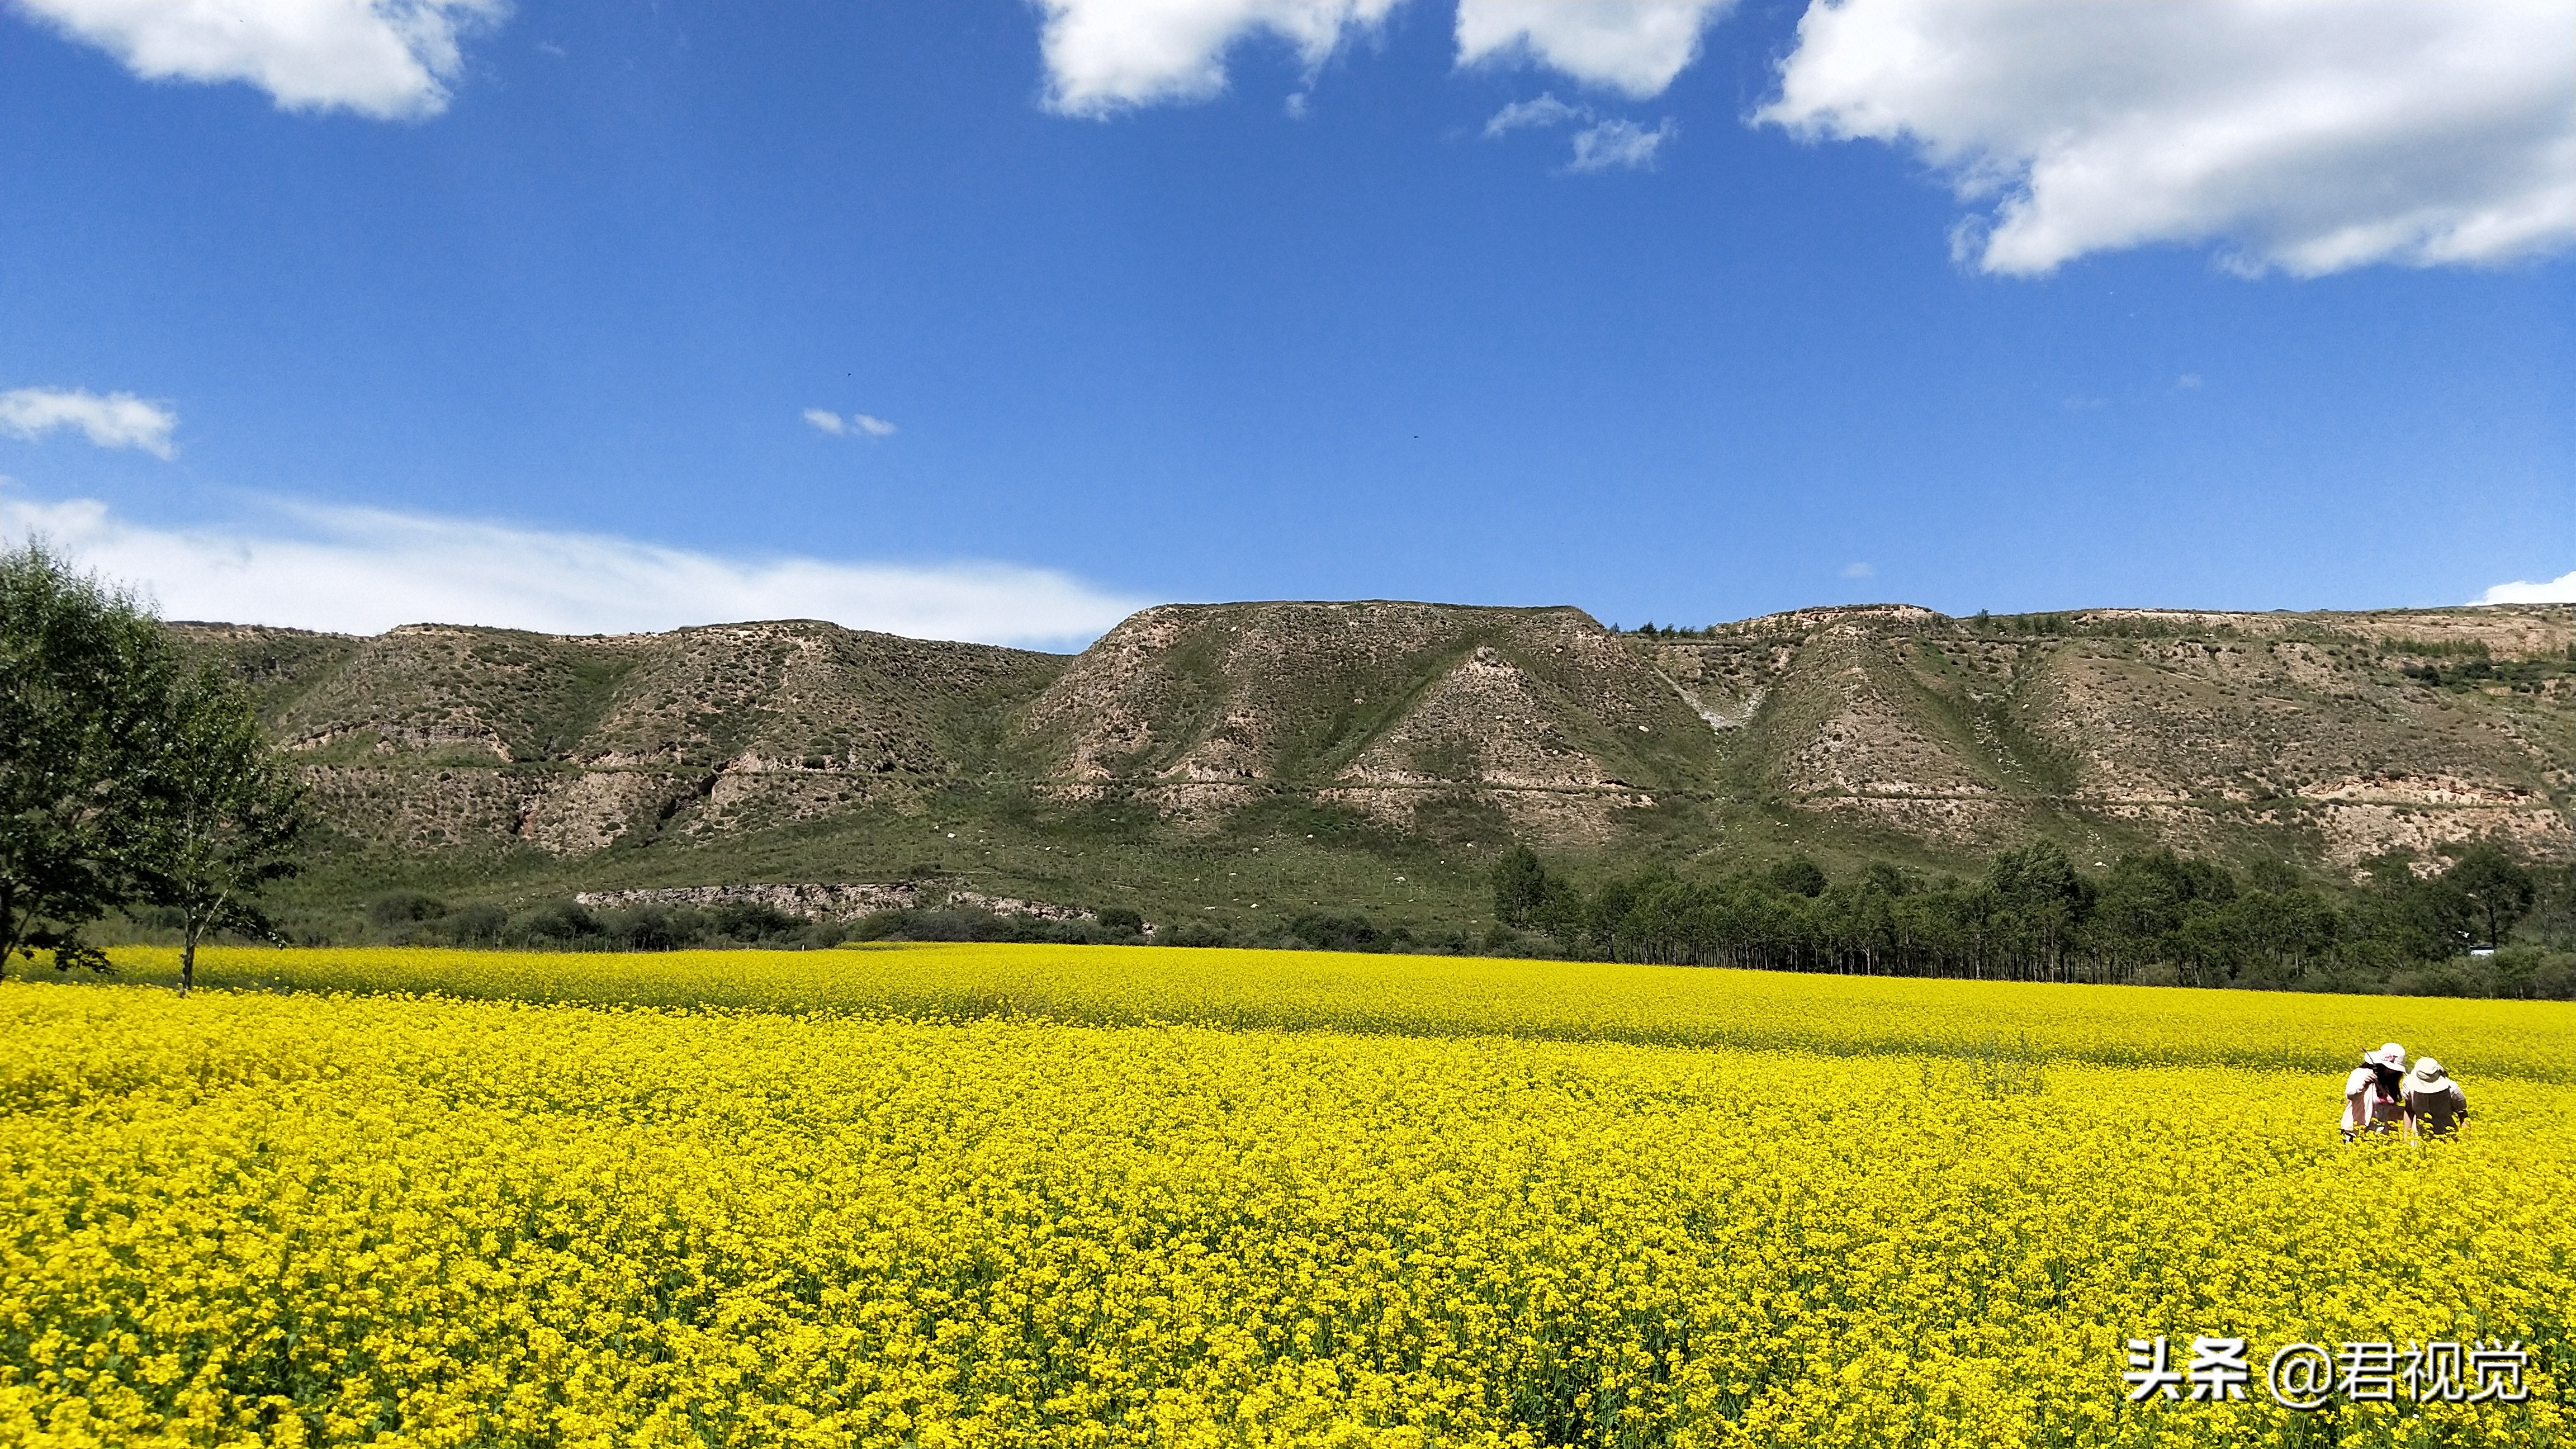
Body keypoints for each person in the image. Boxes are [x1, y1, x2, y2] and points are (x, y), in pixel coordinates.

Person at [2342, 1042, 2408, 1142]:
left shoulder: (2390, 1081)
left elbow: (2388, 1110)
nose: (2392, 1071)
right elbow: (2351, 1095)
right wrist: (2364, 1085)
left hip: (2382, 1136)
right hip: (2358, 1134)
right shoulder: (2362, 1073)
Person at [2402, 1057, 2470, 1141]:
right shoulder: (2410, 1087)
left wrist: (2465, 1141)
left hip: (2447, 1135)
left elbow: (2463, 1116)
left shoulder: (2452, 1090)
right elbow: (2409, 1111)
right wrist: (2406, 1138)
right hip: (2418, 1135)